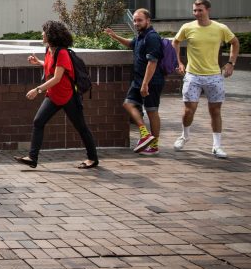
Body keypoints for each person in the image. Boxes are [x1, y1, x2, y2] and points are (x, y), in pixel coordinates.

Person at [14, 20, 99, 169]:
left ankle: (93, 158)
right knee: (38, 121)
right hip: (53, 95)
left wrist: (37, 90)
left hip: (68, 97)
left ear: (51, 35)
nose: (42, 34)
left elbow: (57, 78)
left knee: (81, 127)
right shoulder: (49, 50)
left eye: (44, 32)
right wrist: (38, 62)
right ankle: (32, 158)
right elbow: (51, 67)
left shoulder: (62, 53)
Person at [172, 0, 239, 158]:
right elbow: (175, 42)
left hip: (214, 76)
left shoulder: (220, 28)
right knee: (189, 110)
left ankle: (217, 146)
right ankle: (184, 136)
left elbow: (235, 43)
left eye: (200, 10)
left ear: (208, 10)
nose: (197, 13)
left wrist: (231, 63)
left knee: (215, 111)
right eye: (194, 10)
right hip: (192, 75)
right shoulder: (187, 27)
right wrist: (179, 62)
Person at [104, 9, 164, 155]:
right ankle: (145, 134)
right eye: (135, 20)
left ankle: (154, 145)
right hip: (138, 80)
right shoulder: (140, 35)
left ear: (148, 20)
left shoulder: (152, 37)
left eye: (140, 20)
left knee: (152, 111)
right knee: (128, 104)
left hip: (151, 81)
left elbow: (152, 63)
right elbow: (131, 44)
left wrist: (145, 84)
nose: (136, 23)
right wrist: (114, 36)